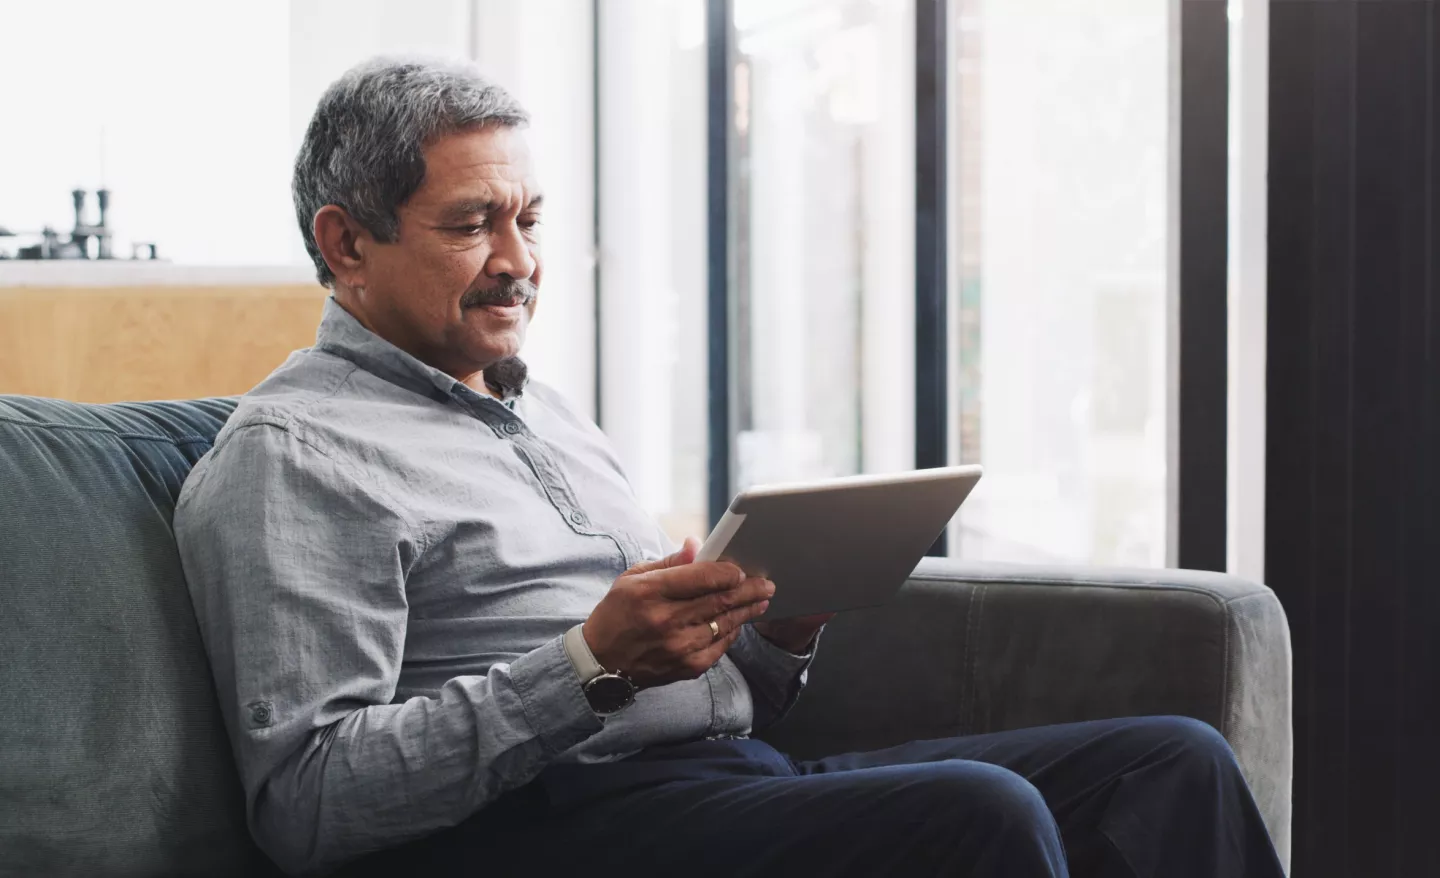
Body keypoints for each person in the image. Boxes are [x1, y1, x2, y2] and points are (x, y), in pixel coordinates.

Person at [175, 57, 1286, 878]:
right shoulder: (296, 458)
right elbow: (309, 802)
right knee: (979, 815)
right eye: (473, 224)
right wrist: (589, 663)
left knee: (1170, 764)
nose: (519, 262)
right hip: (543, 828)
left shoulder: (540, 410)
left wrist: (774, 630)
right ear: (346, 242)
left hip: (720, 786)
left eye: (529, 218)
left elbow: (717, 701)